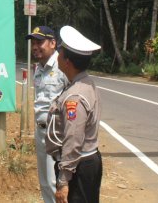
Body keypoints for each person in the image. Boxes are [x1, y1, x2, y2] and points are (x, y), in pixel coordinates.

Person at [45, 25, 102, 203]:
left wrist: (63, 180)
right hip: (87, 161)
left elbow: (73, 137)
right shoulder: (85, 82)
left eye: (60, 53)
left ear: (67, 61)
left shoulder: (74, 97)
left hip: (78, 166)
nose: (57, 56)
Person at [28, 26, 68, 203]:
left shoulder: (64, 66)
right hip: (41, 132)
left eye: (39, 42)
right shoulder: (38, 68)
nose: (35, 46)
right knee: (44, 182)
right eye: (33, 43)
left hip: (58, 134)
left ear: (53, 43)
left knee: (58, 183)